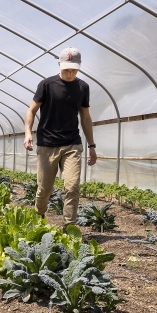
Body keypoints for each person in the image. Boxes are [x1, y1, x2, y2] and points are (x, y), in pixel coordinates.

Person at [23, 47, 97, 229]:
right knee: (44, 189)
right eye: (66, 69)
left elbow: (85, 118)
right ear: (59, 65)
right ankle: (38, 216)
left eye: (73, 69)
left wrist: (92, 145)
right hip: (47, 144)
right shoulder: (47, 85)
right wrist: (27, 132)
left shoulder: (82, 87)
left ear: (79, 67)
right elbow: (31, 110)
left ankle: (69, 228)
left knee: (72, 187)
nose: (70, 73)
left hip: (72, 144)